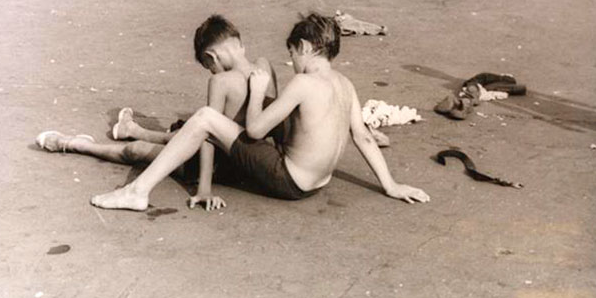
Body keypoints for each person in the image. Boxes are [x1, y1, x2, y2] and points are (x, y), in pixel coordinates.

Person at [89, 13, 430, 211]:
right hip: (317, 182)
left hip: (289, 179)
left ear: (307, 48)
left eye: (293, 53)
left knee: (205, 119)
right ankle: (144, 147)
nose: (292, 61)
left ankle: (138, 192)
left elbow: (254, 131)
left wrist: (254, 93)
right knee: (208, 124)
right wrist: (391, 185)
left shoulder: (302, 83)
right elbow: (364, 137)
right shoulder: (345, 83)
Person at [36, 15, 279, 211]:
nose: (212, 73)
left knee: (137, 150)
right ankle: (132, 129)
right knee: (185, 131)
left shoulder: (222, 82)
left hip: (226, 163)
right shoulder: (264, 66)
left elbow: (207, 140)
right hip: (254, 157)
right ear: (239, 44)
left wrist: (204, 188)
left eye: (209, 68)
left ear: (211, 56)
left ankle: (75, 144)